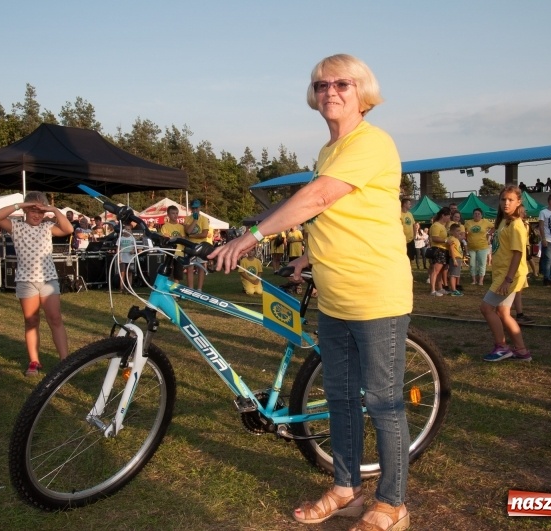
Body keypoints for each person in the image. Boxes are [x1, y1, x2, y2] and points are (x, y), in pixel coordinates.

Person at [208, 54, 411, 531]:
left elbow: (317, 199)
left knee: (382, 401)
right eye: (321, 85)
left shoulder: (372, 142)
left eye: (342, 83)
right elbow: (341, 215)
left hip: (376, 293)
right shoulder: (330, 150)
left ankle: (394, 503)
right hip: (336, 294)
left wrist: (251, 237)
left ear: (363, 92)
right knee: (340, 397)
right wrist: (309, 259)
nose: (330, 91)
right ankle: (345, 489)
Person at [0, 192, 74, 376]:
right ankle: (34, 361)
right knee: (31, 321)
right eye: (33, 211)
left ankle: (65, 362)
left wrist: (52, 209)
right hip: (26, 281)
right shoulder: (16, 226)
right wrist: (20, 205)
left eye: (40, 212)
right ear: (26, 211)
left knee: (55, 319)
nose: (37, 215)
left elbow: (68, 229)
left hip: (48, 280)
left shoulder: (47, 227)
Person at [480, 185, 531, 362]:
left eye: (510, 200)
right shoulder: (504, 221)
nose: (506, 203)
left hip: (509, 275)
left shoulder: (517, 225)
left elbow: (518, 254)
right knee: (503, 312)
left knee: (486, 308)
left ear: (518, 202)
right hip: (502, 273)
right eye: (503, 199)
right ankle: (522, 351)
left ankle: (502, 347)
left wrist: (508, 280)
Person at [184, 199, 210, 290]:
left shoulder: (204, 219)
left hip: (201, 246)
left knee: (201, 268)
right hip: (190, 246)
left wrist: (192, 235)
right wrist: (195, 220)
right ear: (191, 208)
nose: (195, 210)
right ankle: (190, 289)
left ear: (200, 208)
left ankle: (199, 289)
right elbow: (187, 231)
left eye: (197, 208)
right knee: (190, 267)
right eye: (193, 208)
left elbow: (204, 234)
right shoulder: (188, 218)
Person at [464, 208, 494, 285]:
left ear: (481, 215)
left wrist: (489, 233)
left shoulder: (485, 222)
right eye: (475, 214)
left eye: (478, 214)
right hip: (471, 247)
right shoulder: (468, 223)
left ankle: (481, 280)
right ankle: (474, 280)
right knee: (472, 264)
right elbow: (463, 230)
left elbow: (494, 227)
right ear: (473, 215)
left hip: (483, 247)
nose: (477, 215)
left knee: (482, 264)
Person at [429, 207, 452, 296]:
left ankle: (440, 288)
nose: (449, 218)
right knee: (435, 270)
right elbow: (434, 237)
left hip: (443, 249)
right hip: (438, 249)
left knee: (441, 271)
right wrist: (446, 240)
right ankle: (433, 290)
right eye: (448, 216)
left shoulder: (442, 226)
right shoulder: (436, 225)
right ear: (443, 215)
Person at [159, 205, 186, 281]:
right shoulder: (165, 226)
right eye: (173, 213)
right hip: (169, 252)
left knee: (177, 274)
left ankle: (174, 289)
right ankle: (166, 288)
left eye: (176, 213)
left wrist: (172, 237)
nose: (175, 215)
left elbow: (183, 239)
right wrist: (177, 237)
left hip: (179, 252)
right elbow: (166, 238)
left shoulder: (181, 227)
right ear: (168, 215)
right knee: (168, 271)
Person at [447, 224, 464, 296]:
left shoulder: (456, 239)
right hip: (455, 258)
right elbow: (452, 249)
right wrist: (454, 260)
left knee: (456, 274)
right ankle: (453, 290)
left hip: (458, 258)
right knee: (453, 275)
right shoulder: (452, 239)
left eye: (459, 231)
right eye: (457, 231)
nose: (459, 232)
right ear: (452, 232)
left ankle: (454, 289)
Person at [400, 197, 416, 266]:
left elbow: (414, 225)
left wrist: (414, 235)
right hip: (402, 241)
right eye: (409, 204)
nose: (410, 205)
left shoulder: (410, 214)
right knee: (402, 258)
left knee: (411, 258)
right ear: (404, 204)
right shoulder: (399, 214)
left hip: (410, 240)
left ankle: (410, 271)